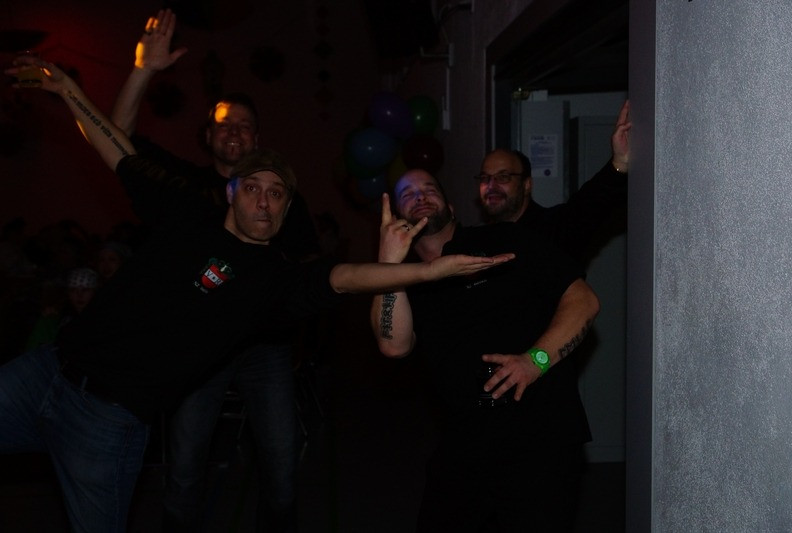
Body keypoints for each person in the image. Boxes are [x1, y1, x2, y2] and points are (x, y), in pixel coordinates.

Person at [1, 56, 513, 533]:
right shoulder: (186, 210)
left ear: (287, 209)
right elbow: (117, 150)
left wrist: (421, 271)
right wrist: (66, 88)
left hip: (106, 421)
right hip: (47, 372)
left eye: (276, 193)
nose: (264, 201)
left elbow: (342, 277)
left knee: (266, 457)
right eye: (253, 188)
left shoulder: (271, 280)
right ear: (231, 192)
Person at [111, 10, 321, 531]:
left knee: (282, 467)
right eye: (225, 122)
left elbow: (311, 270)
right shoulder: (181, 185)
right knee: (184, 468)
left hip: (264, 348)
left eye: (245, 125)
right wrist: (142, 70)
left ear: (258, 138)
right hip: (198, 349)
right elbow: (117, 134)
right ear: (208, 134)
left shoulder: (280, 197)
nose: (235, 132)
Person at [370, 169, 600, 532]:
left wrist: (535, 360)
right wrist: (389, 265)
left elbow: (583, 300)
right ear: (396, 217)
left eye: (429, 187)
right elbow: (393, 345)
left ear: (450, 206)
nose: (420, 195)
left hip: (539, 436)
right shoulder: (403, 280)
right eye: (407, 194)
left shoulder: (503, 239)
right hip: (466, 443)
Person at [477, 100, 631, 266]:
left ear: (527, 185)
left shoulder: (554, 230)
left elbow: (591, 203)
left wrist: (619, 163)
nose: (491, 186)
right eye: (485, 178)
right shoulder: (478, 241)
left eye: (503, 177)